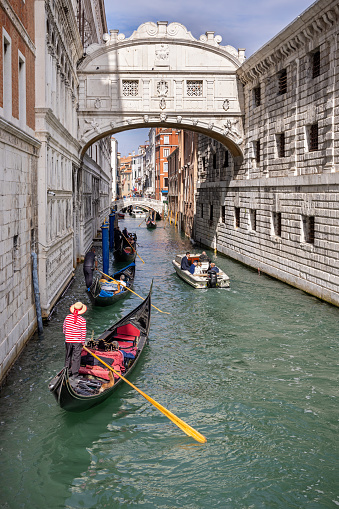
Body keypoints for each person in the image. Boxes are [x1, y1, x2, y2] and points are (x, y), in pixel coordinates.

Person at [63, 302, 87, 379]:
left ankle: (66, 372)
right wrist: (83, 343)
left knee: (68, 356)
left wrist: (67, 336)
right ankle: (75, 374)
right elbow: (83, 333)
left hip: (68, 340)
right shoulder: (82, 320)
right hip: (77, 342)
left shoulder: (67, 317)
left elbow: (64, 328)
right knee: (76, 357)